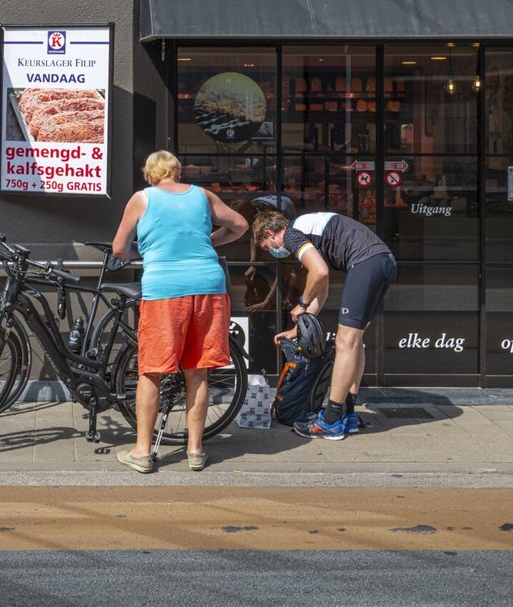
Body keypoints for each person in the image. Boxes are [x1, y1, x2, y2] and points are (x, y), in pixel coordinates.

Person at [110, 150, 247, 473]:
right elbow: (239, 225)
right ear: (178, 171)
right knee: (198, 371)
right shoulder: (203, 196)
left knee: (152, 371)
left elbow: (118, 249)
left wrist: (144, 251)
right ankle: (196, 451)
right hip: (208, 287)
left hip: (164, 291)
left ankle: (143, 452)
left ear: (150, 175)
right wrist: (209, 242)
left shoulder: (142, 199)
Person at [252, 208, 397, 441]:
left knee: (344, 342)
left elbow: (318, 272)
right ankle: (347, 414)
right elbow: (323, 287)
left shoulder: (292, 232)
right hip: (383, 261)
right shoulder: (310, 232)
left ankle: (330, 420)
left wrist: (301, 303)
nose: (274, 253)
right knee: (354, 341)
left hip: (366, 262)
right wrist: (298, 328)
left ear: (270, 233)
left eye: (267, 247)